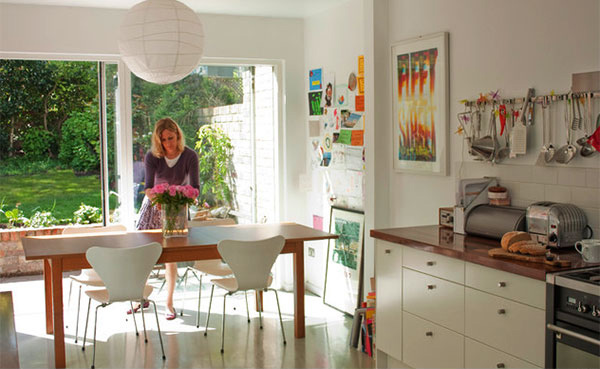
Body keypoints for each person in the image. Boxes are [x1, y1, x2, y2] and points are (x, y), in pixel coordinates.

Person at [135, 117, 199, 320]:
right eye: (163, 140)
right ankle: (140, 297)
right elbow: (148, 187)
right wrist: (158, 199)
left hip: (176, 209)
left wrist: (177, 199)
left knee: (170, 259)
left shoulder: (190, 156)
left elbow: (195, 189)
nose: (167, 143)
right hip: (153, 206)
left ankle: (169, 304)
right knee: (142, 254)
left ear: (178, 135)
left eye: (171, 138)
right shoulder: (152, 157)